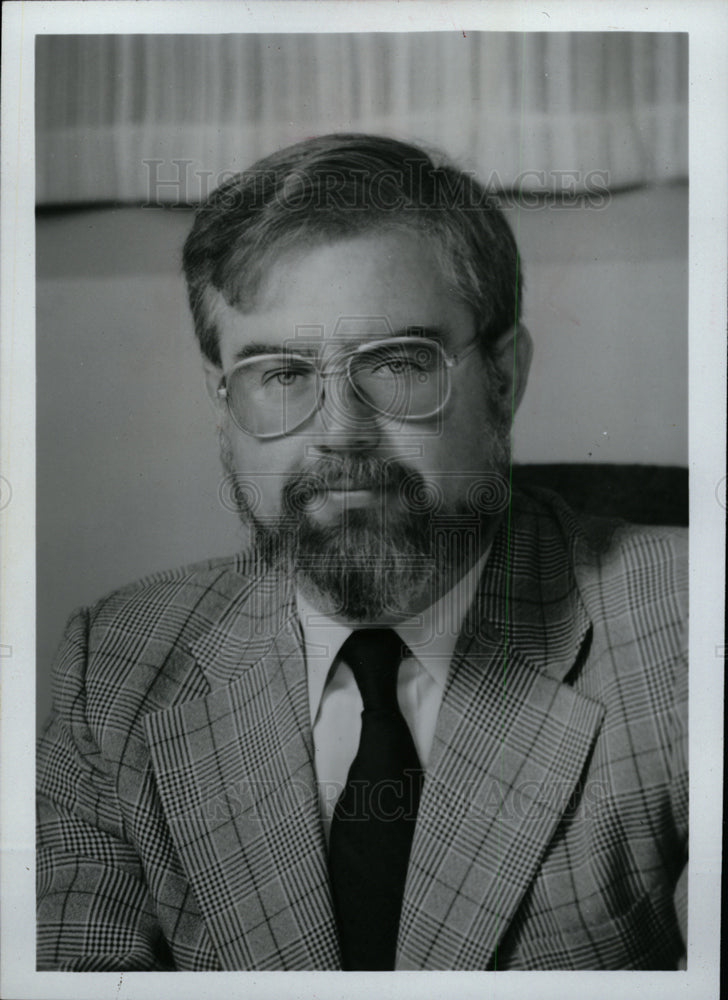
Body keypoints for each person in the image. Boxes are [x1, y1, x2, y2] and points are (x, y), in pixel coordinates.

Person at [36, 134, 688, 971]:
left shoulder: (686, 635)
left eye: (398, 364)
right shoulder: (116, 669)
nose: (341, 433)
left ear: (505, 377)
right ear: (221, 402)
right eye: (281, 374)